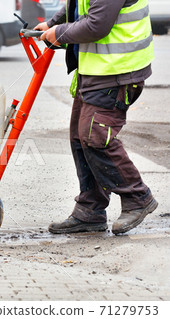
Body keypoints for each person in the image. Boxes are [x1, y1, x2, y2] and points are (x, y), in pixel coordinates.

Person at [34, 0, 158, 235]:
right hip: (98, 69)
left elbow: (97, 25)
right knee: (81, 138)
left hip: (118, 71)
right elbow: (79, 3)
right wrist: (53, 23)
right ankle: (89, 211)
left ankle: (137, 197)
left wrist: (58, 32)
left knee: (96, 137)